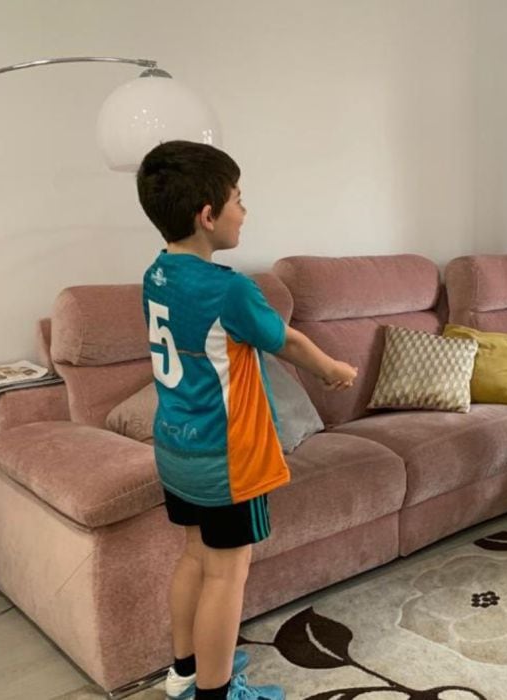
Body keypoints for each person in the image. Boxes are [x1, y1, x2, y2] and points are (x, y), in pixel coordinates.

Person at [137, 140, 358, 700]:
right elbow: (285, 340)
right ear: (206, 216)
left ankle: (184, 672)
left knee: (194, 556)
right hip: (226, 458)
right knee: (226, 575)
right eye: (238, 199)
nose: (244, 210)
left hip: (176, 451)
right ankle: (215, 692)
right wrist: (333, 368)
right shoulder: (229, 288)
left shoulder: (155, 276)